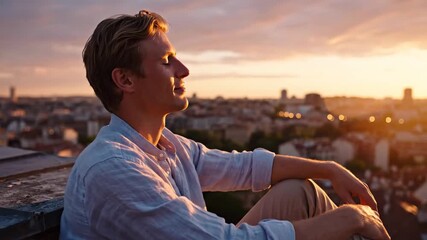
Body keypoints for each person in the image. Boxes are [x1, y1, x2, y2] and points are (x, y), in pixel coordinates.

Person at [60, 9, 390, 240]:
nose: (183, 69)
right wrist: (351, 218)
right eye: (166, 61)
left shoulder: (166, 145)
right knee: (339, 219)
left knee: (299, 190)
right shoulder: (113, 168)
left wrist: (330, 169)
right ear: (125, 79)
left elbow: (244, 167)